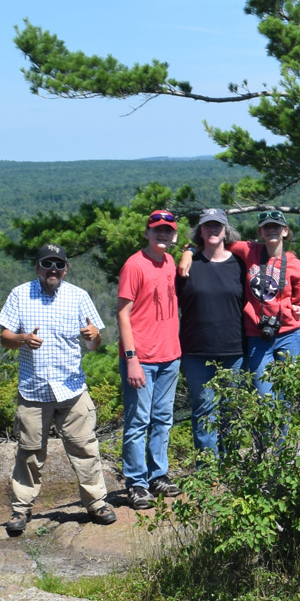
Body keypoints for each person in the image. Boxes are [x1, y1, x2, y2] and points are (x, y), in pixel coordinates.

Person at [0, 244, 116, 536]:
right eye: (47, 264)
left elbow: (93, 342)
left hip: (72, 388)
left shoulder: (78, 297)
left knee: (84, 447)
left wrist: (95, 337)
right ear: (37, 266)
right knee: (29, 453)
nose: (53, 270)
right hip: (34, 389)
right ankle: (21, 510)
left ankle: (96, 502)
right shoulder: (19, 294)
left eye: (58, 265)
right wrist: (23, 338)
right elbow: (4, 338)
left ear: (65, 269)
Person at [116, 210, 192, 509]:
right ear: (147, 232)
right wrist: (131, 358)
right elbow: (122, 313)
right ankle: (136, 483)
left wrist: (189, 251)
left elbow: (196, 244)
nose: (163, 234)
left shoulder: (170, 261)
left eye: (168, 231)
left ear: (174, 235)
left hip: (170, 356)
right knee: (138, 421)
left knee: (162, 419)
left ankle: (158, 475)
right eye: (157, 230)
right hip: (142, 357)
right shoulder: (134, 265)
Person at [177, 207, 246, 455]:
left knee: (232, 411)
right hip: (196, 351)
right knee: (204, 410)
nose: (213, 229)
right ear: (200, 231)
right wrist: (188, 251)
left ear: (226, 230)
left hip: (233, 350)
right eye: (207, 225)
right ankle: (208, 473)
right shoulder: (188, 266)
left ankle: (232, 467)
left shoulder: (240, 264)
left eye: (217, 225)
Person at [234, 209, 300, 396]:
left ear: (285, 231)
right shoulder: (249, 251)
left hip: (289, 336)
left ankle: (283, 427)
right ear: (260, 232)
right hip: (257, 335)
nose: (271, 231)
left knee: (286, 396)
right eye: (266, 227)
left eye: (276, 227)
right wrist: (190, 251)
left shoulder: (296, 267)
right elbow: (217, 241)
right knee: (265, 397)